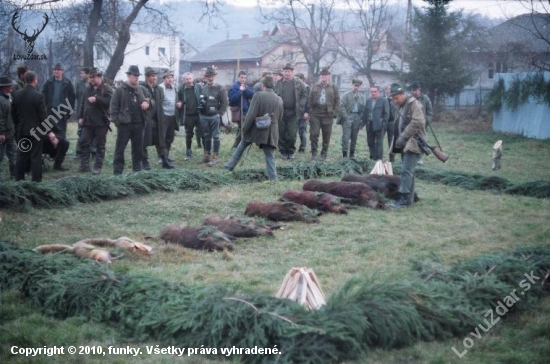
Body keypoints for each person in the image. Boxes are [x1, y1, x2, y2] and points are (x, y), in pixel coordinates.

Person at [224, 75, 282, 181]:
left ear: (263, 85)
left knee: (243, 142)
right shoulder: (279, 99)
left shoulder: (258, 95)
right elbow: (280, 117)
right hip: (270, 130)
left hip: (256, 128)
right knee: (269, 153)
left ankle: (229, 166)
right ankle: (273, 178)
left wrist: (244, 128)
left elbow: (251, 114)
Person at [12, 71, 59, 182]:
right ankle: (36, 181)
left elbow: (13, 114)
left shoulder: (16, 94)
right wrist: (49, 131)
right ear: (35, 80)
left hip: (22, 130)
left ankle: (19, 180)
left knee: (21, 156)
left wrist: (17, 128)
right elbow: (43, 117)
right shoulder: (39, 96)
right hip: (36, 132)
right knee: (35, 157)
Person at [388, 83, 426, 208]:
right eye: (393, 98)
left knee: (406, 171)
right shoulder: (402, 105)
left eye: (396, 98)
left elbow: (419, 121)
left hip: (414, 142)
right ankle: (408, 200)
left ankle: (403, 199)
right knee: (409, 172)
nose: (395, 100)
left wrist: (404, 136)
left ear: (403, 94)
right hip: (405, 143)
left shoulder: (413, 104)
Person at [110, 65, 150, 174]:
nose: (136, 77)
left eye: (137, 75)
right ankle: (118, 171)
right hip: (124, 125)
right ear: (128, 76)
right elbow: (113, 108)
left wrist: (147, 102)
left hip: (139, 124)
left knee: (138, 150)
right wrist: (117, 122)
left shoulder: (142, 89)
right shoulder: (119, 90)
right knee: (120, 149)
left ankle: (137, 170)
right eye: (134, 75)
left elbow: (150, 99)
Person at [77, 67, 113, 174]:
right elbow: (82, 103)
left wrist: (97, 99)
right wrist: (80, 117)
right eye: (91, 77)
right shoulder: (88, 89)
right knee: (84, 142)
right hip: (88, 122)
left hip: (101, 122)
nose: (92, 79)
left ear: (99, 77)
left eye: (94, 77)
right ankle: (84, 166)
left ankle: (98, 167)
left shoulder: (107, 89)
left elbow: (109, 102)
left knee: (100, 145)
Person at [140, 67, 172, 169]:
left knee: (160, 141)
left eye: (155, 76)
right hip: (145, 119)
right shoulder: (141, 88)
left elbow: (160, 103)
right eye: (152, 76)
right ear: (147, 77)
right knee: (143, 141)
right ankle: (144, 162)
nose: (155, 78)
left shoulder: (159, 89)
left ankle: (164, 161)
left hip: (157, 118)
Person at [305, 67, 340, 161]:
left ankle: (323, 154)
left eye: (326, 75)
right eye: (322, 75)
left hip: (328, 114)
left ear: (328, 76)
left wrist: (334, 112)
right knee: (314, 134)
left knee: (326, 135)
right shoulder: (315, 86)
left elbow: (337, 100)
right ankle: (314, 153)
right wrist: (310, 110)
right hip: (316, 113)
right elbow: (309, 98)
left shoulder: (333, 87)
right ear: (320, 76)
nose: (324, 77)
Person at [274, 63, 307, 160]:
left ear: (292, 72)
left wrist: (301, 105)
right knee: (281, 133)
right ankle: (283, 152)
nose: (287, 73)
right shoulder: (278, 83)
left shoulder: (298, 83)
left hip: (293, 113)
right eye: (285, 71)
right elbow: (273, 94)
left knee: (292, 134)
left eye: (289, 71)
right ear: (283, 72)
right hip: (281, 113)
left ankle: (291, 151)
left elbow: (305, 94)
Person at [198, 66, 228, 166]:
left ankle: (215, 157)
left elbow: (225, 103)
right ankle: (207, 156)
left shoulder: (220, 88)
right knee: (206, 136)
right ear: (206, 77)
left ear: (214, 76)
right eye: (208, 76)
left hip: (215, 115)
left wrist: (220, 115)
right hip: (205, 116)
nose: (210, 78)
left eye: (212, 76)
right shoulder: (204, 88)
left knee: (215, 137)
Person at [41, 63, 76, 139]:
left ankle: (61, 149)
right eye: (55, 70)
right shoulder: (48, 82)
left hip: (62, 112)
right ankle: (50, 149)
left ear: (62, 71)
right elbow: (43, 96)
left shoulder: (68, 83)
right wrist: (44, 109)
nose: (56, 71)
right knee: (49, 132)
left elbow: (72, 99)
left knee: (61, 132)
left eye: (58, 70)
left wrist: (68, 112)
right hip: (50, 111)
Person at [177, 72, 202, 161]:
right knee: (189, 134)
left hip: (198, 114)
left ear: (193, 79)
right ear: (183, 80)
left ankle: (205, 152)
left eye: (190, 79)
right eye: (186, 79)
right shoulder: (181, 89)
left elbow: (202, 97)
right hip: (188, 115)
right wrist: (180, 102)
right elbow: (178, 99)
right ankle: (188, 151)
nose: (188, 81)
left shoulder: (198, 87)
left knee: (202, 132)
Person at [338, 79, 365, 158]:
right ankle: (345, 154)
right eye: (355, 86)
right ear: (352, 85)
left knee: (354, 137)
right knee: (346, 137)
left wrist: (360, 119)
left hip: (357, 117)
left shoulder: (361, 96)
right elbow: (341, 106)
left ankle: (352, 154)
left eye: (358, 86)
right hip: (348, 116)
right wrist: (345, 116)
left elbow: (363, 108)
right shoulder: (346, 95)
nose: (356, 87)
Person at [228, 71, 254, 149]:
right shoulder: (234, 87)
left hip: (246, 110)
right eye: (242, 77)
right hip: (239, 111)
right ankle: (236, 146)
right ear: (238, 77)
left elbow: (251, 95)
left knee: (241, 128)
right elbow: (232, 99)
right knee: (243, 128)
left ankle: (238, 145)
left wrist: (245, 90)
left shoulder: (245, 86)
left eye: (244, 78)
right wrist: (240, 91)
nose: (243, 79)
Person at [363, 85, 389, 161]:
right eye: (372, 91)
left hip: (379, 125)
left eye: (375, 91)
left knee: (379, 143)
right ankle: (372, 157)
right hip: (369, 124)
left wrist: (383, 124)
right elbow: (365, 113)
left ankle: (379, 159)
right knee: (370, 142)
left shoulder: (384, 100)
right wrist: (362, 124)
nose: (373, 93)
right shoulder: (368, 101)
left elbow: (386, 114)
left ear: (378, 92)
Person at [158, 70, 178, 164]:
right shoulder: (160, 88)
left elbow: (177, 99)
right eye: (167, 78)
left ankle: (166, 156)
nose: (170, 79)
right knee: (162, 137)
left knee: (170, 137)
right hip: (164, 116)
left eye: (171, 77)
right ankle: (161, 157)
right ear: (164, 79)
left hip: (172, 115)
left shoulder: (174, 88)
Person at [411, 81, 433, 164]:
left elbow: (430, 113)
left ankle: (420, 158)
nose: (414, 92)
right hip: (412, 125)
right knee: (411, 142)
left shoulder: (425, 99)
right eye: (413, 90)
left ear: (419, 89)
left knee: (422, 142)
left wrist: (425, 123)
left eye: (416, 90)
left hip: (422, 126)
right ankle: (412, 157)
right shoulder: (410, 99)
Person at [0, 75, 17, 181]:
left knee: (14, 154)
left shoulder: (8, 98)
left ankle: (15, 177)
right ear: (4, 87)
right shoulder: (1, 100)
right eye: (9, 85)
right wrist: (1, 133)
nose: (12, 86)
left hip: (10, 134)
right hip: (3, 135)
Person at [295, 72, 310, 153]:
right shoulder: (294, 87)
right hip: (295, 112)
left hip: (303, 112)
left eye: (298, 78)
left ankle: (302, 147)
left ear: (302, 79)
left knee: (302, 130)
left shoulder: (307, 88)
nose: (297, 80)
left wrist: (307, 112)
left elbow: (308, 101)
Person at [384, 85, 396, 162]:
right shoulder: (381, 98)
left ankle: (391, 159)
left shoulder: (394, 99)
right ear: (385, 90)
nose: (389, 91)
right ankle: (377, 158)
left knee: (391, 141)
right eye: (387, 89)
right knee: (379, 139)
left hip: (392, 122)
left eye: (390, 89)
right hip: (383, 122)